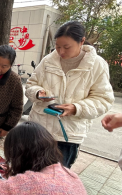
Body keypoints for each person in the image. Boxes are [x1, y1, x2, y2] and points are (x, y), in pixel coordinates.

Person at [26, 21, 114, 168]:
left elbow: (104, 99)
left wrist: (76, 108)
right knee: (28, 172)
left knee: (57, 180)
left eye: (66, 47)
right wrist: (37, 92)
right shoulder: (48, 60)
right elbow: (31, 84)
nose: (61, 52)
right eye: (58, 46)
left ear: (82, 41)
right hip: (39, 129)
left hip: (68, 135)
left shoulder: (97, 65)